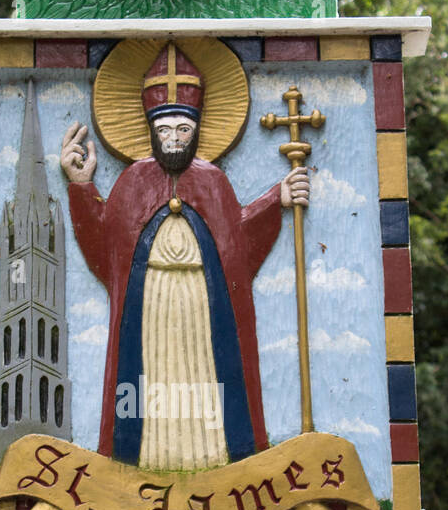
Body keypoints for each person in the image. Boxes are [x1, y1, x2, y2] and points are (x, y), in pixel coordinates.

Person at [61, 44, 309, 471]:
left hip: (202, 308)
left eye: (182, 130)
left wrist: (277, 199)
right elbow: (105, 252)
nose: (173, 139)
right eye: (164, 130)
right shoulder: (132, 181)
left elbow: (238, 245)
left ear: (196, 129)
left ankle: (216, 470)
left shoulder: (213, 181)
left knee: (203, 380)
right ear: (150, 129)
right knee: (152, 382)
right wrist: (82, 187)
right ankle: (143, 466)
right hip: (149, 310)